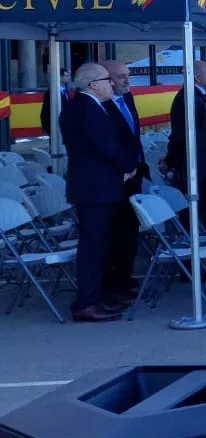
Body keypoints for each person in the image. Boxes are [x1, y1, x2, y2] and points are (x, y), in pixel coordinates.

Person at [58, 63, 141, 321]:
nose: (112, 84)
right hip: (94, 189)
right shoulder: (86, 109)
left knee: (101, 244)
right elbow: (104, 145)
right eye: (107, 80)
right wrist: (129, 165)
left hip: (97, 186)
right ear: (93, 84)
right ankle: (87, 302)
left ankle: (99, 295)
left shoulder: (85, 107)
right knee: (94, 246)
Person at [100, 59, 147, 300]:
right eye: (120, 76)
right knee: (115, 231)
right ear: (105, 79)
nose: (126, 80)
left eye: (127, 75)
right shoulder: (99, 106)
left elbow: (133, 135)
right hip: (115, 177)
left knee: (130, 229)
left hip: (134, 174)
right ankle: (113, 283)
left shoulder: (128, 98)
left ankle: (125, 277)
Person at [164, 58, 206, 234]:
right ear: (197, 78)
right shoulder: (189, 99)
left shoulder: (200, 97)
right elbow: (182, 136)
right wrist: (171, 160)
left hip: (203, 167)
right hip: (196, 169)